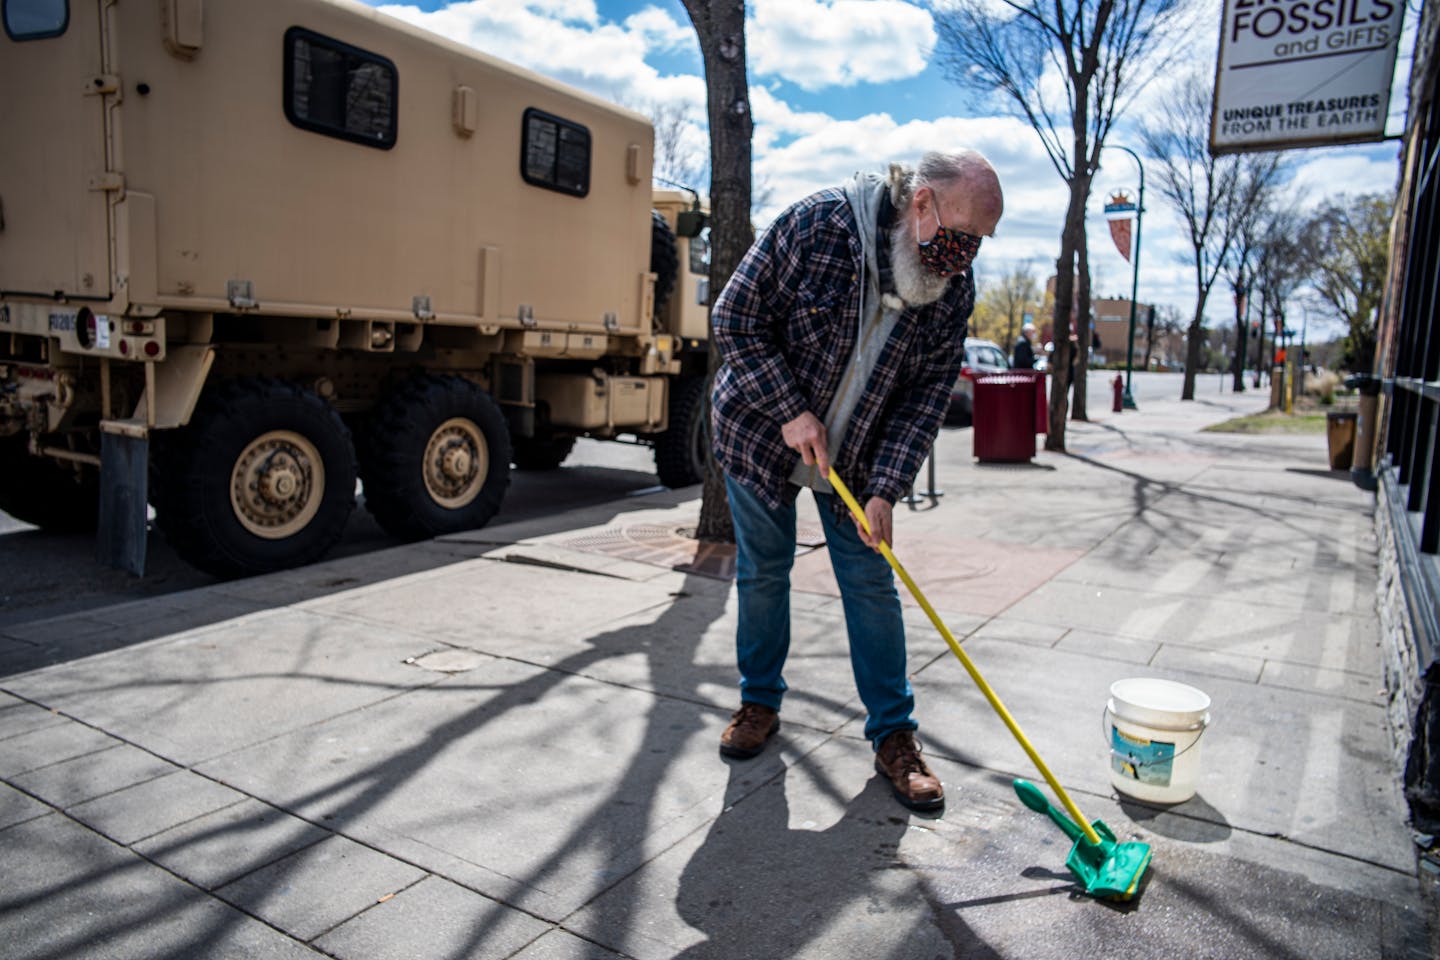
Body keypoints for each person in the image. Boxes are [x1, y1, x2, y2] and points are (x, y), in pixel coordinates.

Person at [709, 150, 1004, 812]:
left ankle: (895, 737)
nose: (962, 261)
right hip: (762, 433)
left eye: (977, 249)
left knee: (870, 584)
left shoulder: (950, 286)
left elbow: (927, 396)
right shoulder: (817, 226)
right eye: (959, 240)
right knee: (763, 572)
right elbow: (734, 319)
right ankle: (759, 702)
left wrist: (886, 487)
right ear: (921, 204)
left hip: (858, 456)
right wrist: (790, 409)